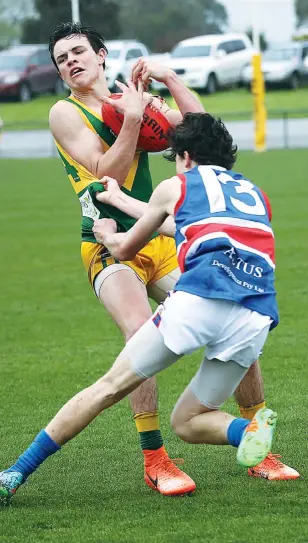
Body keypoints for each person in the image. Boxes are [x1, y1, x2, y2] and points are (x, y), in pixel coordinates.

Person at [46, 21, 296, 485]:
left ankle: (256, 443)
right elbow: (107, 172)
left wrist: (170, 84)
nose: (71, 62)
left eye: (78, 51)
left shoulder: (130, 97)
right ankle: (155, 459)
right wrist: (137, 116)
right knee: (139, 333)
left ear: (102, 56)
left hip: (162, 239)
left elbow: (204, 139)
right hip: (108, 242)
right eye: (62, 58)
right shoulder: (65, 113)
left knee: (234, 317)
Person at [0, 113, 284, 504]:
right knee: (189, 421)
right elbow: (184, 227)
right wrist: (118, 198)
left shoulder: (176, 185)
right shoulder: (255, 194)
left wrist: (108, 233)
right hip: (255, 315)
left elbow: (126, 248)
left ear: (185, 156)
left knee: (107, 388)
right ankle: (249, 432)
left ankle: (15, 473)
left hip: (199, 300)